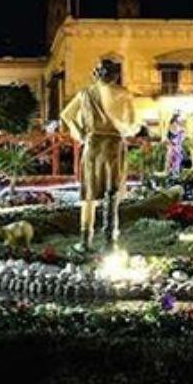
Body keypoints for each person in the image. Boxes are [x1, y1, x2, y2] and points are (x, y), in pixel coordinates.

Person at [60, 58, 142, 252]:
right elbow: (133, 125)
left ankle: (85, 241)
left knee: (89, 194)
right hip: (114, 145)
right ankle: (110, 241)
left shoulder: (86, 94)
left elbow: (66, 115)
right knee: (112, 192)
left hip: (93, 145)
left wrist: (80, 133)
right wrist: (122, 128)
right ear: (115, 75)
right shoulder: (124, 94)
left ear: (96, 74)